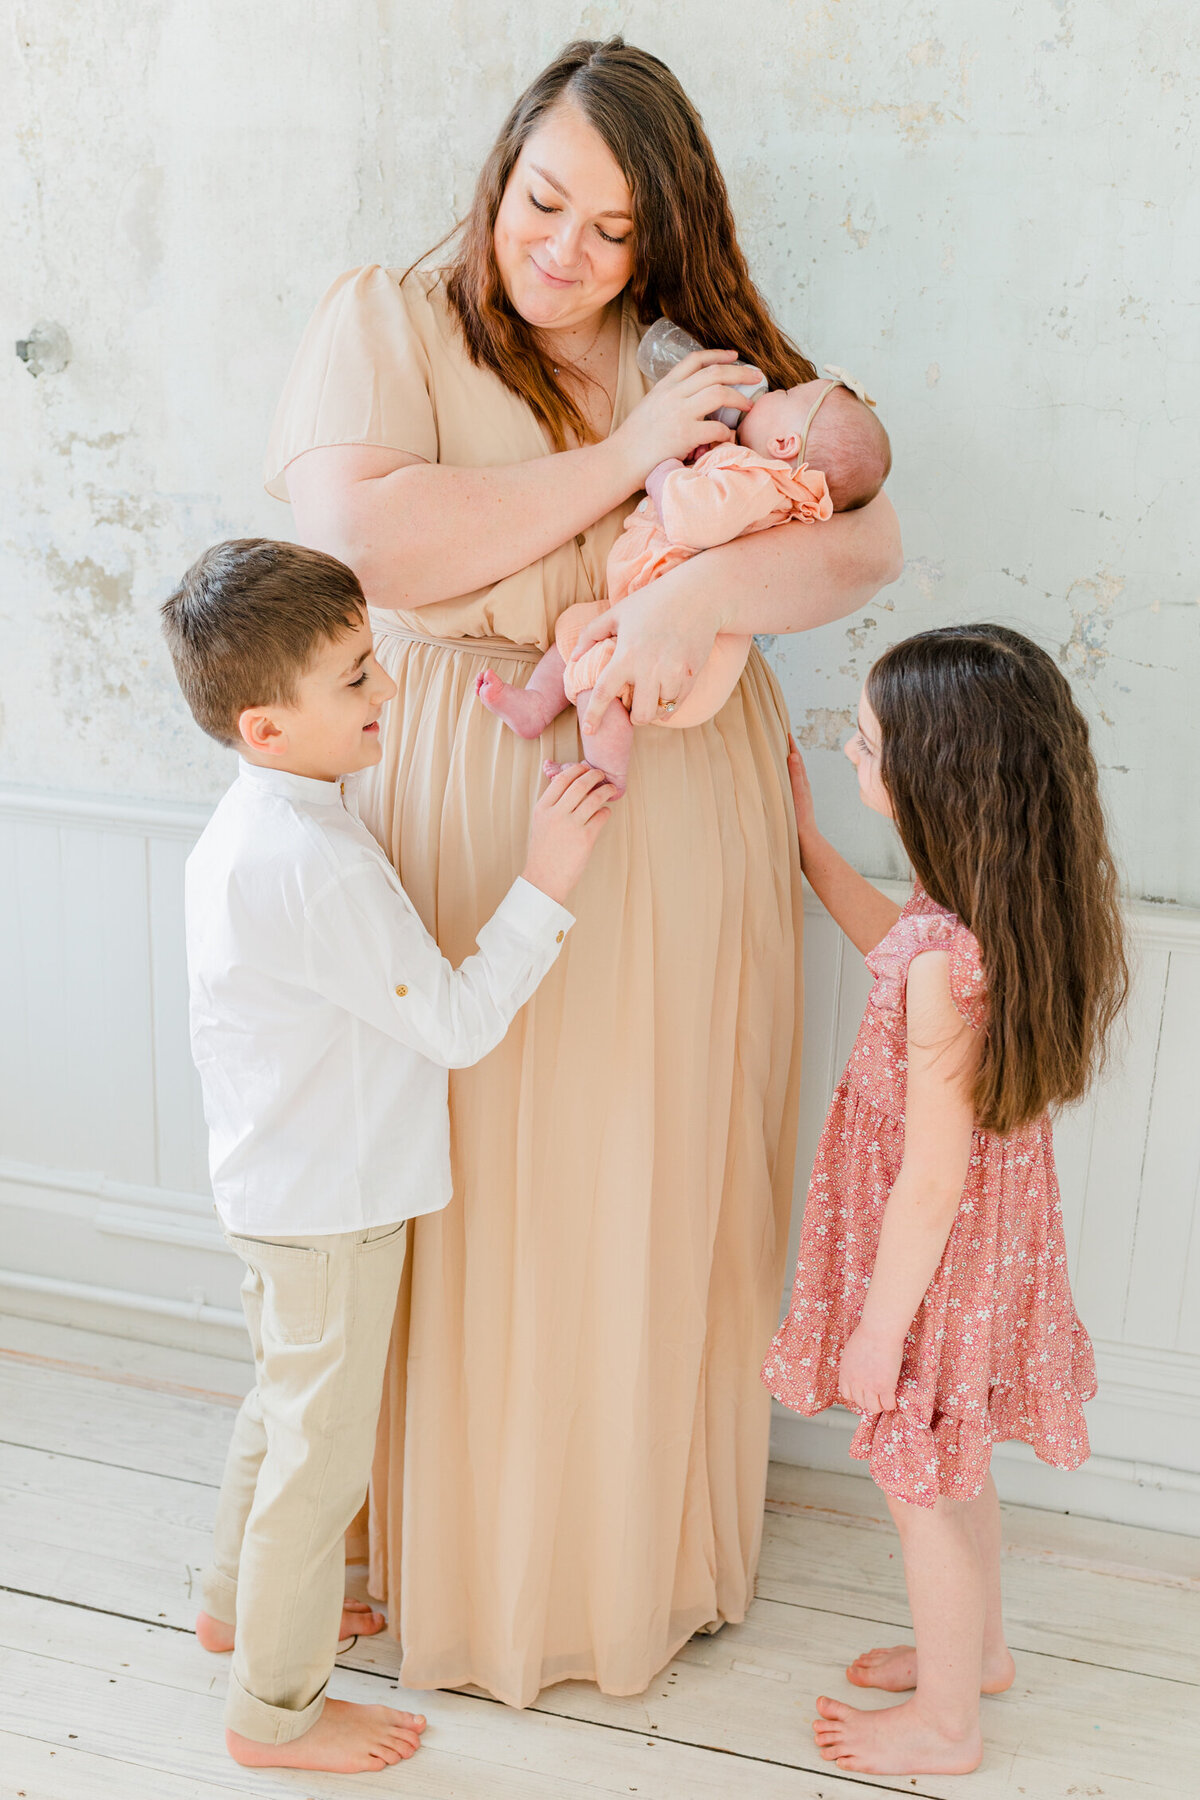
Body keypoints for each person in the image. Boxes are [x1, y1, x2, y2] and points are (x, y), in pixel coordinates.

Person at [266, 37, 902, 1707]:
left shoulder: (696, 358)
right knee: (474, 1187)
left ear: (657, 242)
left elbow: (865, 532)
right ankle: (455, 1562)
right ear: (497, 177)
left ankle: (637, 1563)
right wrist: (628, 470)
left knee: (650, 1175)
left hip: (686, 810)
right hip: (476, 798)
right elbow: (371, 544)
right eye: (546, 201)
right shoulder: (384, 321)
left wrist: (693, 605)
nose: (568, 250)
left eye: (615, 231)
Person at [160, 539, 614, 1772]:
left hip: (278, 1184)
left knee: (281, 1404)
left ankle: (234, 1606)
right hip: (331, 1204)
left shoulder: (259, 821)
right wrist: (548, 880)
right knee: (321, 1457)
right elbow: (458, 1025)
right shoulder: (315, 862)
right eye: (357, 679)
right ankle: (277, 1711)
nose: (388, 693)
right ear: (266, 725)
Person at [763, 625, 1128, 1776]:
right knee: (953, 1461)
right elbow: (898, 950)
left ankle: (948, 1727)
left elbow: (931, 1176)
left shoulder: (944, 962)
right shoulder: (988, 917)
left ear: (931, 775)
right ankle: (979, 1657)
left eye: (865, 743)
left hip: (930, 1259)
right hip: (986, 1251)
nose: (850, 748)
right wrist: (814, 844)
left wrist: (876, 1328)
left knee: (917, 1479)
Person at [477, 370, 891, 789]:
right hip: (643, 609)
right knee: (578, 630)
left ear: (783, 444)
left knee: (601, 671)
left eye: (783, 393)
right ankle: (536, 706)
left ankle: (606, 773)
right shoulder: (749, 472)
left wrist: (663, 471)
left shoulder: (760, 479)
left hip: (683, 654)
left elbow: (697, 518)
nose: (772, 388)